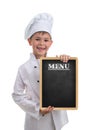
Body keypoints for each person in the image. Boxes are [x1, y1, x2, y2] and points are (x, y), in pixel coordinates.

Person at [12, 13, 70, 130]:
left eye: (46, 40)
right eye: (37, 39)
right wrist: (38, 108)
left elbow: (65, 84)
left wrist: (67, 63)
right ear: (30, 41)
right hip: (36, 122)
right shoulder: (24, 68)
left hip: (58, 119)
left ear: (51, 43)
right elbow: (17, 96)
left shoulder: (57, 63)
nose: (42, 43)